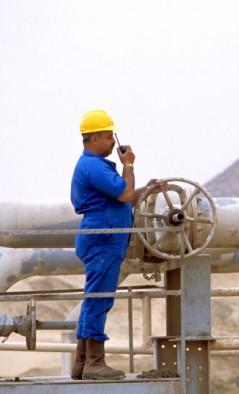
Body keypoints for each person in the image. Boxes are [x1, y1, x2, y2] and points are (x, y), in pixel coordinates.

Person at [70, 109, 164, 380]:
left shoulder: (93, 165)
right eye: (109, 136)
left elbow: (123, 197)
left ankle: (82, 362)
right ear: (95, 138)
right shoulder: (94, 166)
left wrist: (146, 190)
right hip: (104, 238)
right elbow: (123, 193)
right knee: (98, 299)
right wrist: (129, 165)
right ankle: (94, 364)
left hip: (104, 236)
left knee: (95, 298)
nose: (114, 141)